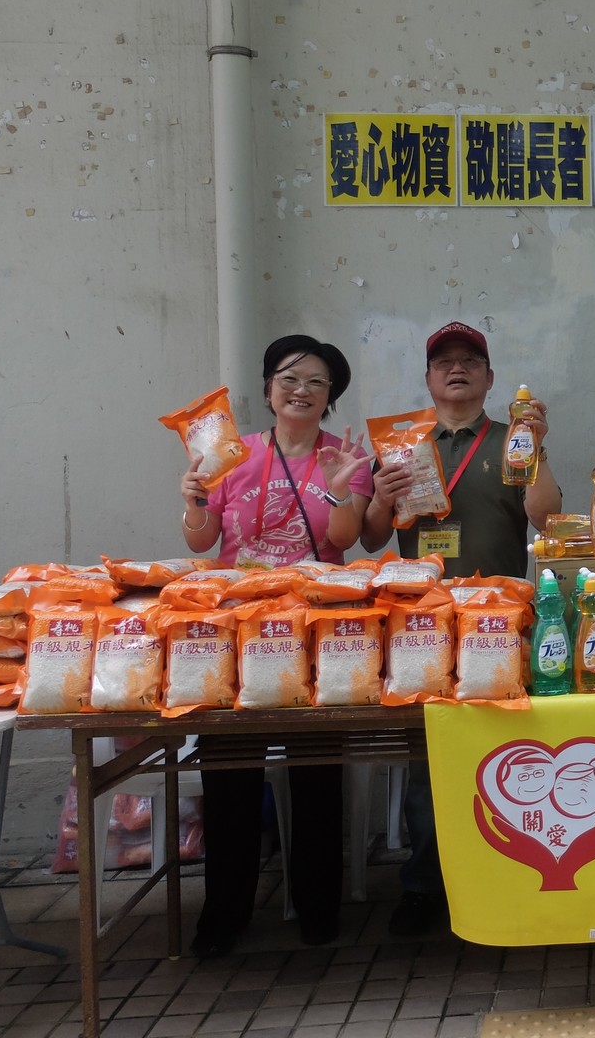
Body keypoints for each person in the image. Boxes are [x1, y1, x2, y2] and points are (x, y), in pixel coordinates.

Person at [361, 320, 563, 936]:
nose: (457, 369)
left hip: (497, 625)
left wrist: (535, 447)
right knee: (428, 759)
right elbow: (370, 537)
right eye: (444, 361)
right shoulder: (402, 445)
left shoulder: (511, 441)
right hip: (420, 623)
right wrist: (379, 496)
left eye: (470, 361)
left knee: (501, 754)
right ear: (427, 378)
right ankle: (425, 886)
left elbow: (547, 519)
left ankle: (502, 878)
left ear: (489, 377)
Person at [177, 334, 374, 956]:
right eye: (289, 378)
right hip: (237, 632)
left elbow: (346, 538)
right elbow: (202, 541)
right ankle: (223, 914)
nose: (301, 390)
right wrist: (194, 502)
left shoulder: (347, 457)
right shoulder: (231, 455)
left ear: (331, 396)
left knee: (316, 769)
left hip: (316, 632)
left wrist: (341, 490)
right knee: (229, 771)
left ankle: (318, 909)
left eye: (317, 382)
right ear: (268, 389)